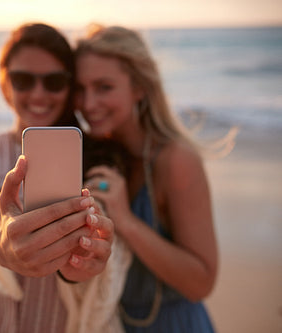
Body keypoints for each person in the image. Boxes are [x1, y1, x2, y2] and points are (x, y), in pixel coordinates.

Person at [0, 23, 130, 333]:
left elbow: (92, 261)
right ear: (4, 82)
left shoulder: (100, 158)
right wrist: (0, 241)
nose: (38, 94)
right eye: (22, 80)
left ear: (70, 88)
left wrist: (82, 263)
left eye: (54, 82)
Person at [75, 24, 218, 332]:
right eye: (80, 89)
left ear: (139, 87)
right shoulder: (101, 156)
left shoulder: (176, 160)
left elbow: (201, 283)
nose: (88, 104)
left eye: (104, 87)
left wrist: (125, 220)